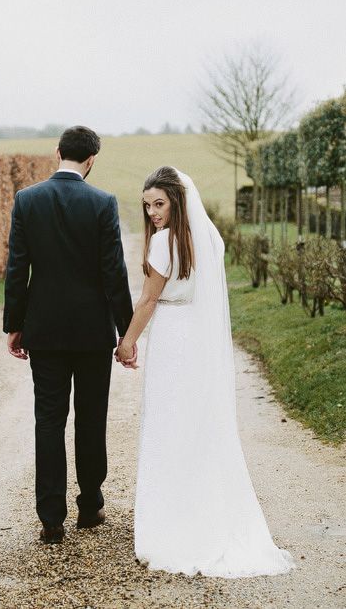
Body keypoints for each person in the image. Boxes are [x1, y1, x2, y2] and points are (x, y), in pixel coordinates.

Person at [116, 166, 295, 577]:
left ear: (177, 201)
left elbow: (146, 302)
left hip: (174, 336)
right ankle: (203, 511)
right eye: (147, 206)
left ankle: (173, 524)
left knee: (167, 423)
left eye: (159, 204)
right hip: (198, 340)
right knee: (196, 423)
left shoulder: (164, 243)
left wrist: (127, 343)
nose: (153, 213)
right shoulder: (209, 238)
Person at [3, 125, 134, 544]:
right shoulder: (102, 203)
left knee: (49, 420)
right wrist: (127, 329)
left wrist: (15, 324)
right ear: (91, 159)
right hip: (94, 333)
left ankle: (50, 517)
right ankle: (90, 504)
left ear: (57, 152)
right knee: (91, 417)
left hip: (44, 332)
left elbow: (16, 267)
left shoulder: (27, 200)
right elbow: (114, 271)